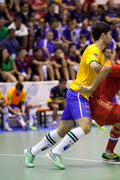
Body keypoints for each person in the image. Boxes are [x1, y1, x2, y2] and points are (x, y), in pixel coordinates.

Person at [24, 22, 112, 169]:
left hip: (77, 94)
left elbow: (99, 76)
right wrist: (104, 69)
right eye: (110, 34)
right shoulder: (93, 49)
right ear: (103, 36)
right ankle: (56, 153)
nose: (111, 37)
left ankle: (32, 152)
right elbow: (93, 65)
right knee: (86, 126)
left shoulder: (101, 55)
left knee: (62, 130)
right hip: (78, 93)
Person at [79, 49, 120, 167]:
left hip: (98, 103)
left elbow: (107, 80)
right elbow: (106, 68)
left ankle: (109, 152)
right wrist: (90, 89)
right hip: (99, 103)